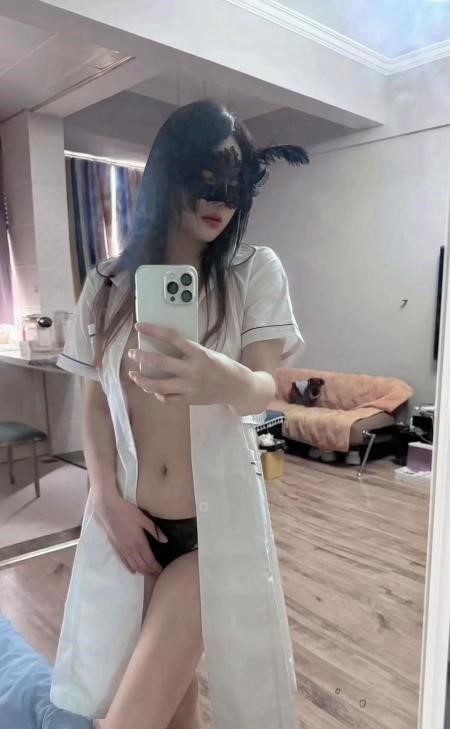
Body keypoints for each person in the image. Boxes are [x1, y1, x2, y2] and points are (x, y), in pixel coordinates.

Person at [51, 100, 308, 729]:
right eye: (205, 181)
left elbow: (263, 388)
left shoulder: (253, 271)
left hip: (212, 533)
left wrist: (224, 377)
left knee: (130, 716)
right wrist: (104, 497)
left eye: (234, 188)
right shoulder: (108, 285)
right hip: (131, 527)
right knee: (171, 707)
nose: (220, 202)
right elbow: (94, 401)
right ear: (169, 177)